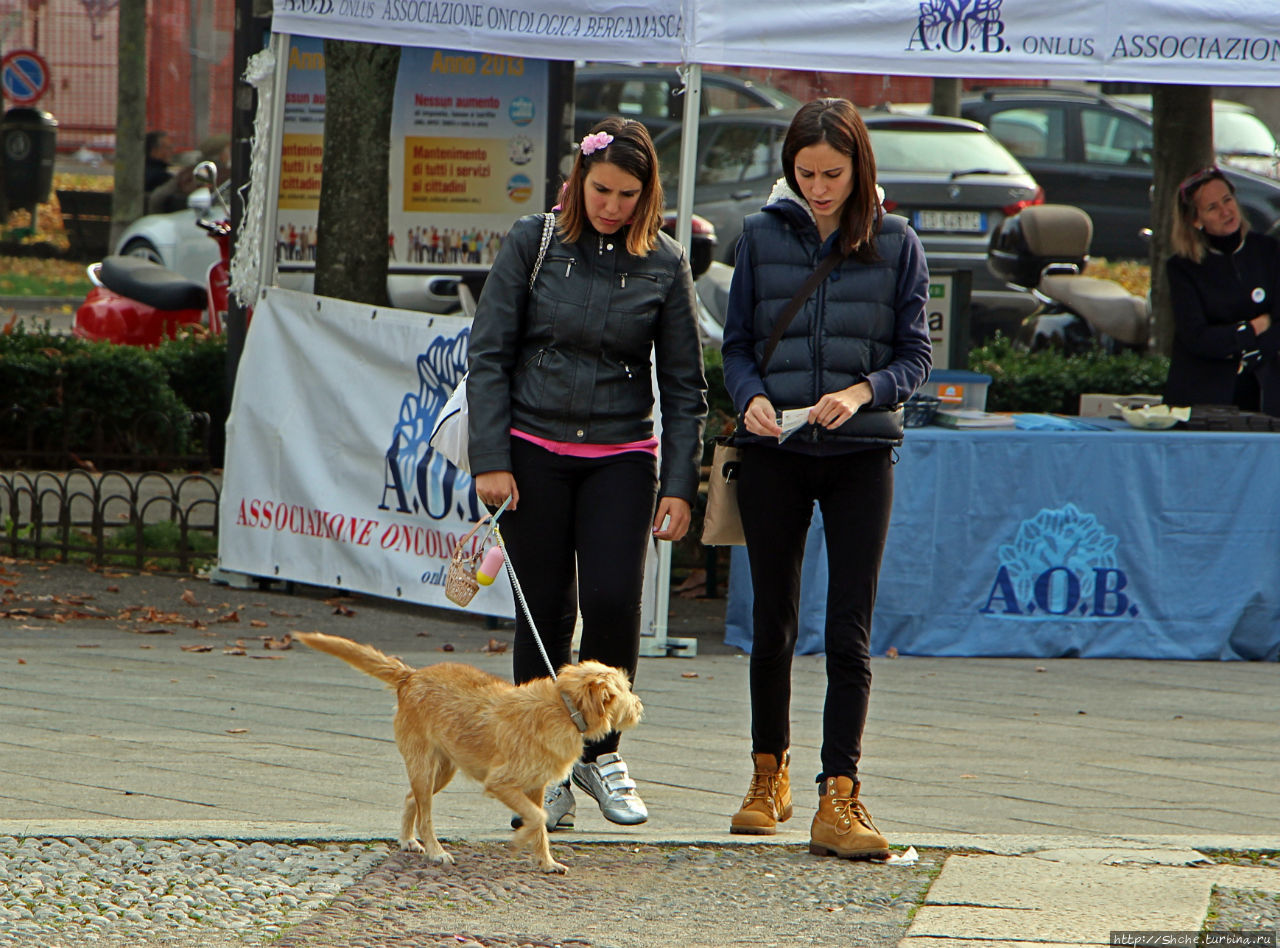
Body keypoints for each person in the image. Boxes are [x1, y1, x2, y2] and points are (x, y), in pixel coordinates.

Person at [467, 116, 707, 830]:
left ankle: (602, 753)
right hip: (532, 450)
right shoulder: (531, 242)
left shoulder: (665, 264)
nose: (611, 204)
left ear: (648, 194)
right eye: (600, 189)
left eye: (628, 194)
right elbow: (488, 355)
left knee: (610, 602)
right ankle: (546, 767)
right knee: (543, 616)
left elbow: (687, 386)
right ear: (578, 182)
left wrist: (679, 483)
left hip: (621, 457)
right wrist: (491, 459)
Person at [720, 98, 931, 858]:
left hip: (860, 454)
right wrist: (751, 396)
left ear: (858, 167)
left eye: (832, 174)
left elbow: (915, 356)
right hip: (776, 451)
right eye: (805, 173)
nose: (817, 187)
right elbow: (737, 345)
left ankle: (838, 794)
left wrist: (862, 392)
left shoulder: (899, 242)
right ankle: (765, 775)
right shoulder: (759, 236)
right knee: (770, 622)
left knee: (849, 630)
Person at [1165, 165, 1280, 414]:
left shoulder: (1268, 251)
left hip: (1265, 394)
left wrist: (1248, 346)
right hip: (1205, 394)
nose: (1225, 211)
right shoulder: (1183, 268)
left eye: (1227, 200)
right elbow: (1196, 337)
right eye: (1212, 208)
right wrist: (1251, 330)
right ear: (1196, 220)